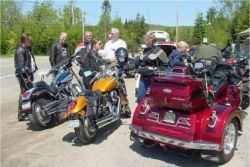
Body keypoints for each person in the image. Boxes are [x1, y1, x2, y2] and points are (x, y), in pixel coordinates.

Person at [133, 34, 168, 102]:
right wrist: (137, 71)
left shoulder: (159, 51)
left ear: (150, 40)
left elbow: (165, 66)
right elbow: (141, 63)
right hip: (144, 77)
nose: (144, 41)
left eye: (146, 40)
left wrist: (155, 70)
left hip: (154, 78)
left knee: (154, 99)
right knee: (140, 98)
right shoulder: (145, 50)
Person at [14, 33, 38, 121]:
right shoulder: (21, 50)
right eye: (30, 39)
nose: (31, 41)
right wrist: (25, 77)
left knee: (26, 93)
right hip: (24, 76)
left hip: (28, 74)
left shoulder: (26, 49)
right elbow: (21, 66)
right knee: (24, 94)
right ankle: (22, 114)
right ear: (26, 40)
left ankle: (26, 112)